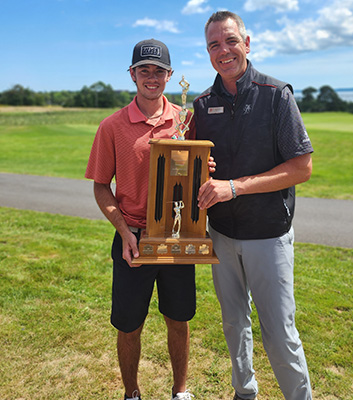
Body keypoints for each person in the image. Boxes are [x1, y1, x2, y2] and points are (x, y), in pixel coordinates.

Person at [195, 11, 314, 400]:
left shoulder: (276, 94)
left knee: (279, 333)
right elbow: (198, 165)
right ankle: (244, 393)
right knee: (233, 325)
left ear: (247, 43)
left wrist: (233, 186)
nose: (223, 50)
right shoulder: (202, 104)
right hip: (221, 235)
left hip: (268, 235)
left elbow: (301, 167)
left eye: (230, 41)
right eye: (214, 44)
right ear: (208, 52)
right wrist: (200, 168)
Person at [85, 39, 204, 400]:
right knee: (129, 325)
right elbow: (101, 187)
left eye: (158, 71)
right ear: (133, 74)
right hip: (133, 238)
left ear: (169, 76)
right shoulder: (112, 126)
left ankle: (180, 391)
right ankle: (132, 392)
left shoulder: (185, 119)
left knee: (179, 319)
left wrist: (206, 170)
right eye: (143, 70)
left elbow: (194, 173)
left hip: (176, 234)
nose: (151, 77)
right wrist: (123, 231)